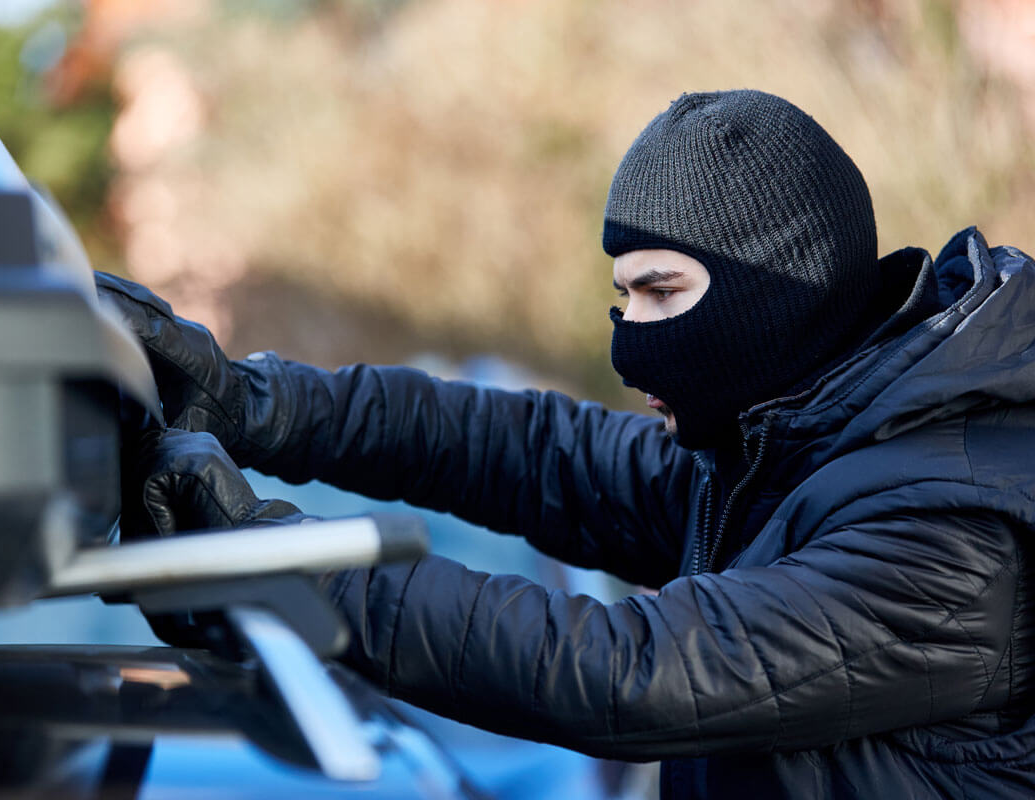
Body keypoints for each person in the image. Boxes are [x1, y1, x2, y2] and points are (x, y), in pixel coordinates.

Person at [97, 90, 1035, 799]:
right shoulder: (788, 446)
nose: (630, 342)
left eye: (662, 294)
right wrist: (255, 403)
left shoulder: (948, 522)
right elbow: (529, 450)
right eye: (620, 295)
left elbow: (635, 673)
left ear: (783, 292)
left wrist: (288, 569)